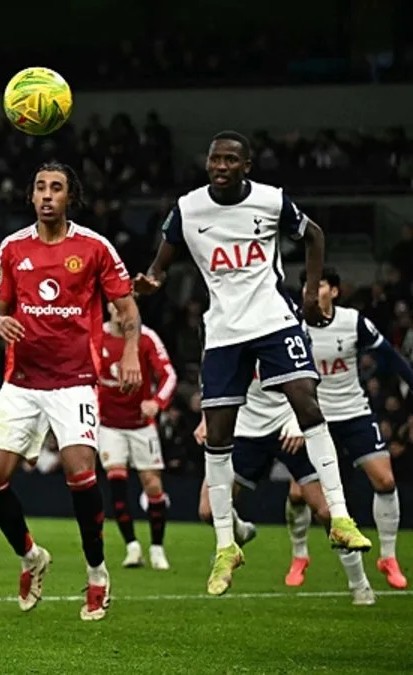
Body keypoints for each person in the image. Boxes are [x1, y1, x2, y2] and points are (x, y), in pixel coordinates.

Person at [134, 130, 371, 596]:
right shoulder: (187, 209)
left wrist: (308, 289)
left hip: (273, 320)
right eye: (213, 158)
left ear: (247, 166)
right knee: (217, 436)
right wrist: (152, 280)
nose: (219, 166)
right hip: (223, 333)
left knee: (307, 403)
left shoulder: (271, 201)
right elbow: (161, 263)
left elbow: (315, 235)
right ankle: (227, 546)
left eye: (229, 160)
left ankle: (341, 516)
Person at [0, 162, 142, 622]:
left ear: (70, 197)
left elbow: (126, 308)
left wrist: (129, 353)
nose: (47, 195)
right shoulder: (12, 248)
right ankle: (32, 556)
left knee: (80, 473)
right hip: (22, 382)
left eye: (56, 188)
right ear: (31, 196)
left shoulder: (94, 247)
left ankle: (96, 574)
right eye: (40, 188)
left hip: (74, 381)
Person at [194, 373, 377, 606]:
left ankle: (359, 584)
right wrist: (206, 418)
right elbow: (213, 376)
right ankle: (240, 531)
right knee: (208, 510)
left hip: (288, 427)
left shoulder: (286, 336)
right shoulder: (222, 337)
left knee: (326, 511)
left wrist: (299, 419)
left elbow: (312, 373)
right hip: (245, 430)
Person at [301, 267, 411, 589]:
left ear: (334, 291)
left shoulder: (353, 322)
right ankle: (357, 582)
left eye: (318, 285)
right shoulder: (292, 325)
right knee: (327, 507)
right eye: (307, 285)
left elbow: (389, 358)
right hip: (315, 420)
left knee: (385, 479)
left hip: (354, 412)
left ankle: (388, 556)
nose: (311, 290)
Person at [97, 303, 177, 570]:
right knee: (116, 482)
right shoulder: (97, 336)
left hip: (141, 424)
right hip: (108, 425)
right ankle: (132, 547)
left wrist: (157, 403)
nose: (120, 312)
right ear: (108, 308)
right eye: (115, 306)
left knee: (153, 486)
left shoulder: (146, 338)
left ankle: (157, 548)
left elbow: (169, 376)